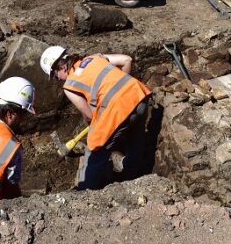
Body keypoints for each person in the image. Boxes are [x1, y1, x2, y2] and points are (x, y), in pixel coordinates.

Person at [40, 45, 151, 190]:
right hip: (139, 95)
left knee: (94, 151)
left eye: (55, 76)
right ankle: (130, 178)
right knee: (135, 139)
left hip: (118, 109)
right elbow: (126, 60)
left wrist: (95, 126)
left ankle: (87, 192)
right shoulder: (93, 57)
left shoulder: (70, 85)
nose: (57, 79)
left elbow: (89, 115)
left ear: (60, 68)